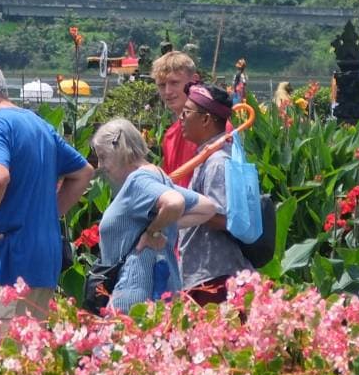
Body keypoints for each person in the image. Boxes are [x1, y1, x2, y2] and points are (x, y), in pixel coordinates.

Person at [0, 54, 93, 318]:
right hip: (42, 263)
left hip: (5, 265)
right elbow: (83, 172)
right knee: (31, 341)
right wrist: (48, 215)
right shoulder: (39, 124)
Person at [87, 118, 195, 311]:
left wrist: (153, 231)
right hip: (161, 291)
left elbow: (174, 203)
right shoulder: (159, 177)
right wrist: (162, 224)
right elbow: (206, 208)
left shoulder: (139, 181)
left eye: (103, 156)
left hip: (133, 295)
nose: (100, 165)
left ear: (119, 150)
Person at [172, 84, 250, 303]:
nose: (181, 118)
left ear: (206, 119)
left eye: (186, 112)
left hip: (214, 275)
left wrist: (178, 211)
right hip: (205, 273)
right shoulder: (211, 156)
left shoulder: (217, 162)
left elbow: (223, 218)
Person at [152, 51, 202, 181]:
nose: (167, 92)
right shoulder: (170, 135)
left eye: (174, 83)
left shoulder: (213, 128)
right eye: (162, 85)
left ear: (194, 81)